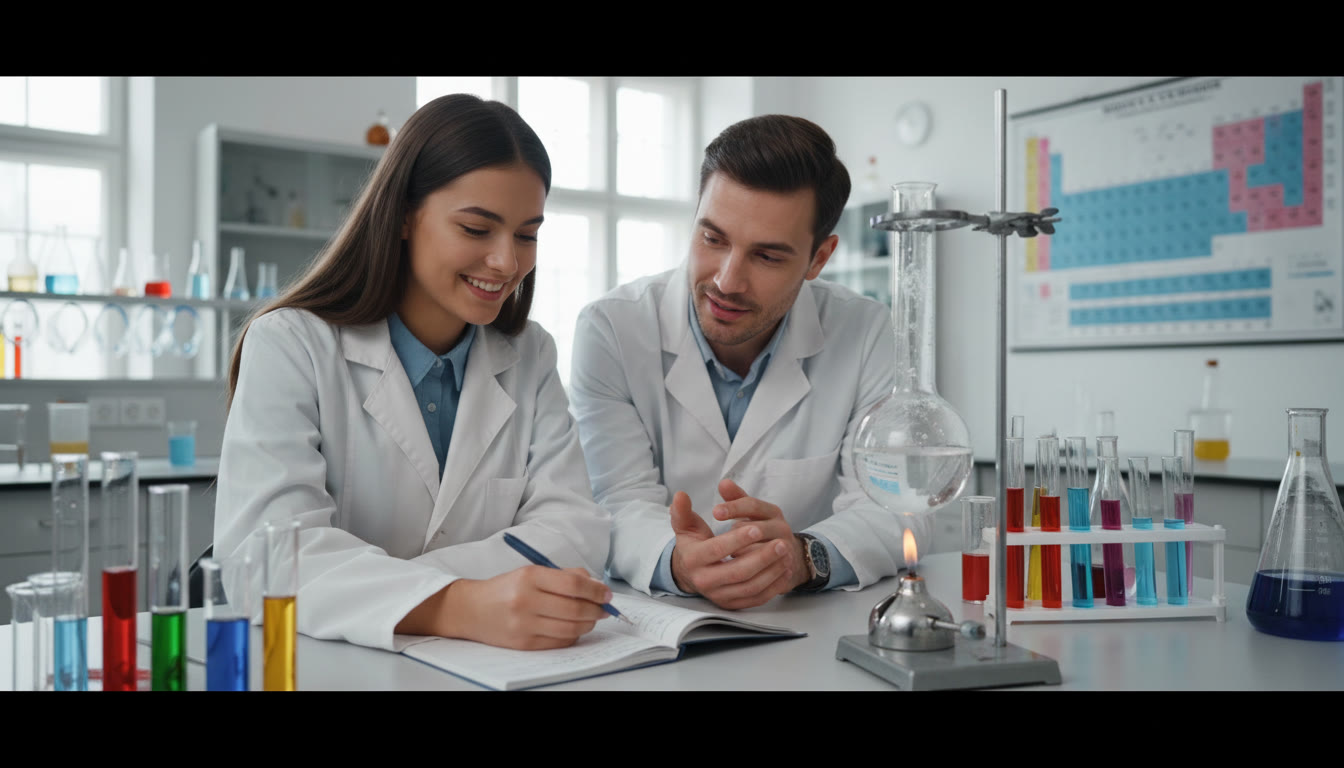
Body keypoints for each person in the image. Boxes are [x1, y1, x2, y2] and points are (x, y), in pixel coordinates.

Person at [214, 94, 612, 653]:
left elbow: (575, 533)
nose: (507, 262)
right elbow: (269, 558)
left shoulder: (530, 355)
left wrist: (391, 586)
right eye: (477, 229)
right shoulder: (291, 343)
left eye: (527, 234)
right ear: (404, 215)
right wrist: (459, 603)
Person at [569, 114, 918, 610]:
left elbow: (899, 506)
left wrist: (802, 556)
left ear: (819, 258)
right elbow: (614, 502)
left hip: (811, 629)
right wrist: (679, 563)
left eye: (768, 257)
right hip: (662, 631)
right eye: (712, 239)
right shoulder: (612, 329)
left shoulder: (864, 332)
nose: (728, 281)